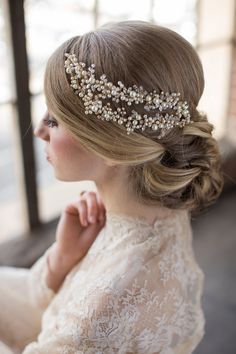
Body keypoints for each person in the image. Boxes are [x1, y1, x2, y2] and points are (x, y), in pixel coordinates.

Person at [0, 20, 224, 353]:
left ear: (113, 147)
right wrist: (62, 260)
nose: (39, 130)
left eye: (56, 120)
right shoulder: (163, 213)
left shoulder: (95, 317)